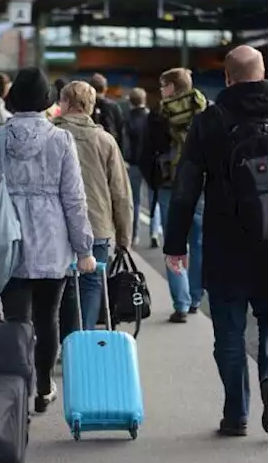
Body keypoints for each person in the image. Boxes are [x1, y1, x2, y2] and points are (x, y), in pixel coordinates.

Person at [0, 67, 96, 414]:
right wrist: (83, 247)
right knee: (48, 318)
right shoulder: (60, 140)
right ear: (46, 101)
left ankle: (19, 386)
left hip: (7, 238)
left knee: (16, 320)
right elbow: (74, 198)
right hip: (51, 239)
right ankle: (44, 386)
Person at [164, 45, 269, 437]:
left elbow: (186, 185)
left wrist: (176, 243)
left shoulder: (210, 119)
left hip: (226, 241)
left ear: (227, 78)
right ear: (263, 72)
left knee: (228, 332)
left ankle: (236, 414)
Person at [53, 81, 133, 330]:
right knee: (90, 284)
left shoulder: (50, 136)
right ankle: (83, 339)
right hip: (96, 226)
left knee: (61, 285)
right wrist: (123, 236)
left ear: (64, 103)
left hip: (55, 225)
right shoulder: (105, 140)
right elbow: (120, 193)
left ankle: (61, 339)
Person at [153, 67, 208, 322]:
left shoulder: (160, 114)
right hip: (200, 183)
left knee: (174, 245)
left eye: (163, 85)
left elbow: (148, 149)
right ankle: (196, 297)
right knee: (198, 243)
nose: (161, 90)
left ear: (173, 86)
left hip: (170, 184)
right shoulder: (206, 110)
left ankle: (182, 303)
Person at [122, 87, 154, 245]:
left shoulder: (127, 119)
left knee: (134, 200)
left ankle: (134, 235)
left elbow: (126, 143)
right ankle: (154, 232)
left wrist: (125, 158)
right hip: (150, 163)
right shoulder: (151, 117)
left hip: (133, 163)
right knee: (152, 197)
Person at [88, 73, 125, 147]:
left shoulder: (86, 105)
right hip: (110, 147)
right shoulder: (114, 106)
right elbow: (121, 130)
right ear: (105, 89)